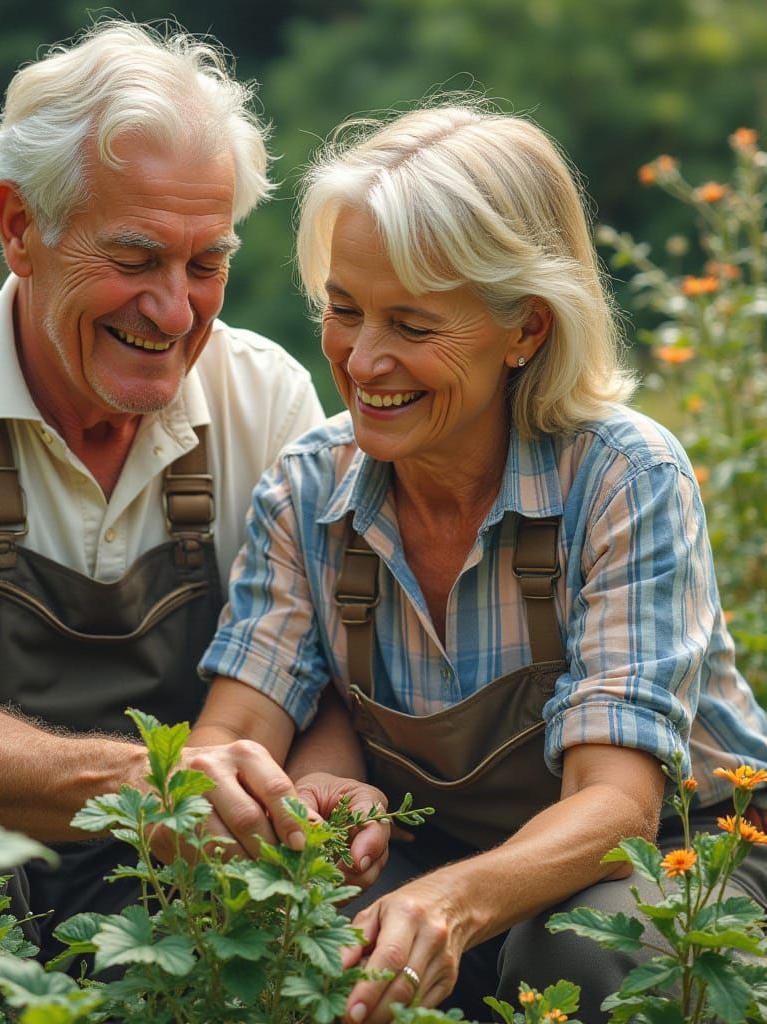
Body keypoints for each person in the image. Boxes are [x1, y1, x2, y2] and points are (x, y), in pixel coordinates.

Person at [0, 20, 390, 961]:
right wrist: (156, 791)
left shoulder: (265, 395)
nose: (175, 308)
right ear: (20, 227)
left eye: (208, 262)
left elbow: (320, 680)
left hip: (183, 883)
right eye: (136, 257)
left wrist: (318, 791)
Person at [190, 100, 767, 1022]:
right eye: (344, 310)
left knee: (572, 949)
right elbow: (229, 740)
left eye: (414, 327)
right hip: (447, 850)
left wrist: (450, 904)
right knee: (299, 927)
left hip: (681, 854)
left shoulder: (622, 475)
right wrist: (299, 797)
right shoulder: (307, 487)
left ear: (527, 330)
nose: (365, 359)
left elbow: (617, 804)